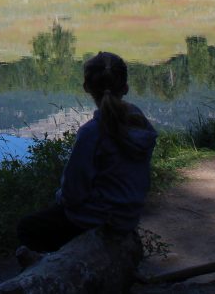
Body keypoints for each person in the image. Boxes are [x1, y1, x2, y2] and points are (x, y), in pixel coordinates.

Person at [17, 51, 157, 256]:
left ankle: (62, 268)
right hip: (129, 215)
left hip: (100, 219)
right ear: (125, 87)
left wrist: (60, 198)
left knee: (27, 227)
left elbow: (73, 192)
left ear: (86, 88)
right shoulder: (140, 122)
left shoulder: (92, 133)